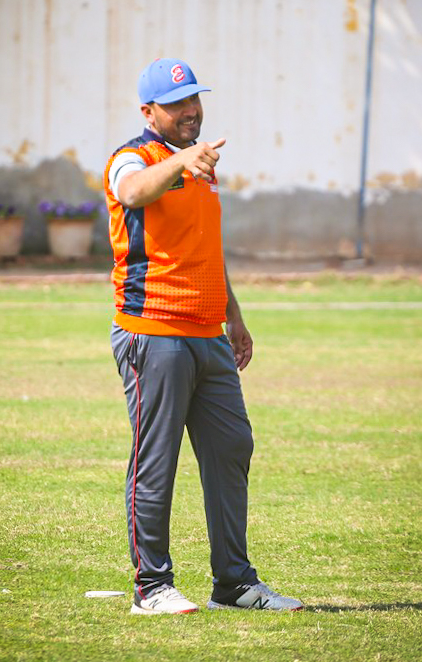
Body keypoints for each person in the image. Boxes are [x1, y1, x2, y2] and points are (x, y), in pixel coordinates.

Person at [103, 58, 304, 616]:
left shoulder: (200, 165)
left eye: (194, 99)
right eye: (176, 103)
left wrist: (233, 315)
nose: (190, 110)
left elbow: (204, 250)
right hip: (153, 333)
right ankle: (151, 588)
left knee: (232, 447)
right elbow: (132, 192)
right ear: (148, 112)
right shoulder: (132, 158)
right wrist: (180, 161)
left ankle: (233, 585)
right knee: (156, 461)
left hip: (207, 333)